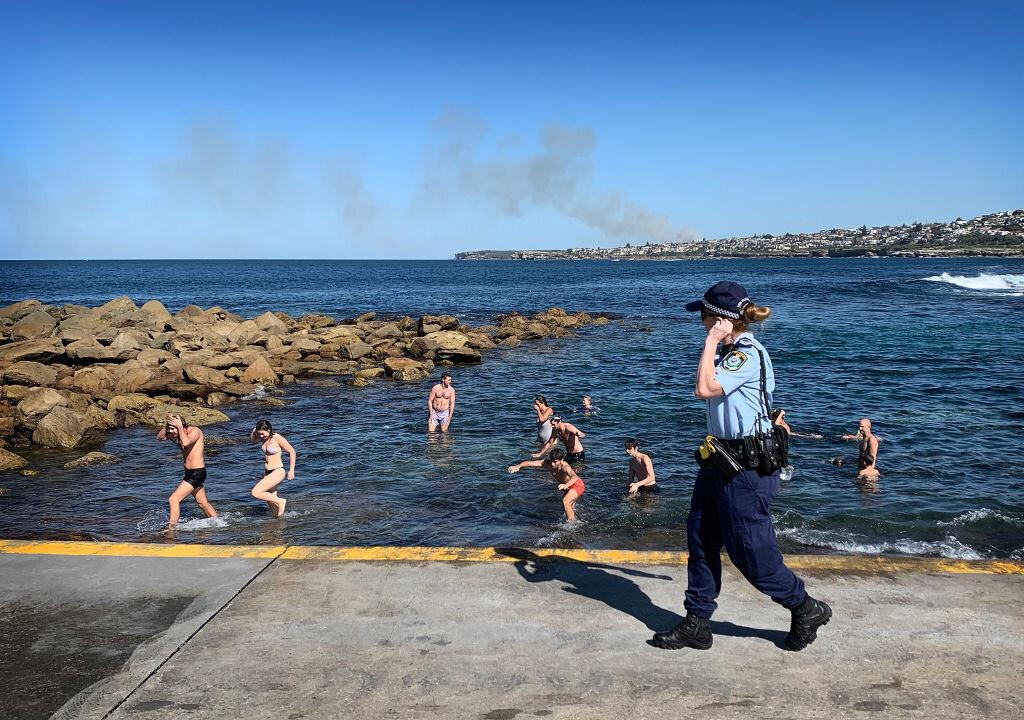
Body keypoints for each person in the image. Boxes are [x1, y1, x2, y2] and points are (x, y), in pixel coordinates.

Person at [652, 281, 831, 653]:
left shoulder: (745, 354)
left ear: (718, 320)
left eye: (704, 318)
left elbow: (703, 389)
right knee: (700, 540)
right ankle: (697, 623)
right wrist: (716, 344)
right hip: (719, 460)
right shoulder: (730, 352)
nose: (700, 324)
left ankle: (804, 606)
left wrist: (710, 342)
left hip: (747, 469)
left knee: (752, 555)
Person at [156, 414, 217, 528]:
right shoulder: (178, 433)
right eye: (170, 429)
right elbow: (159, 437)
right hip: (189, 473)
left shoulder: (195, 431)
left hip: (197, 473)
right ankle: (218, 523)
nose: (171, 432)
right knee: (202, 504)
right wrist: (169, 424)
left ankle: (171, 529)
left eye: (173, 429)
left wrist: (178, 426)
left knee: (173, 499)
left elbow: (186, 443)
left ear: (182, 425)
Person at [508, 448, 585, 522]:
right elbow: (529, 463)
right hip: (567, 486)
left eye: (555, 462)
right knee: (567, 506)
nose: (552, 464)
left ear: (561, 460)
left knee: (565, 502)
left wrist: (566, 485)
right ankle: (574, 518)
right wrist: (518, 466)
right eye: (551, 461)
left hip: (577, 485)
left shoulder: (565, 467)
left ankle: (572, 525)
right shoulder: (547, 463)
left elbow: (575, 477)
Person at [249, 419, 296, 517]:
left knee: (255, 492)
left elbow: (292, 451)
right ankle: (278, 522)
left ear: (269, 429)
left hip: (278, 471)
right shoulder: (264, 439)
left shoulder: (277, 438)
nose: (261, 436)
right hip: (267, 472)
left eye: (262, 434)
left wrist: (291, 470)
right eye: (259, 434)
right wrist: (254, 431)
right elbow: (252, 441)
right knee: (270, 501)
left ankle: (281, 501)